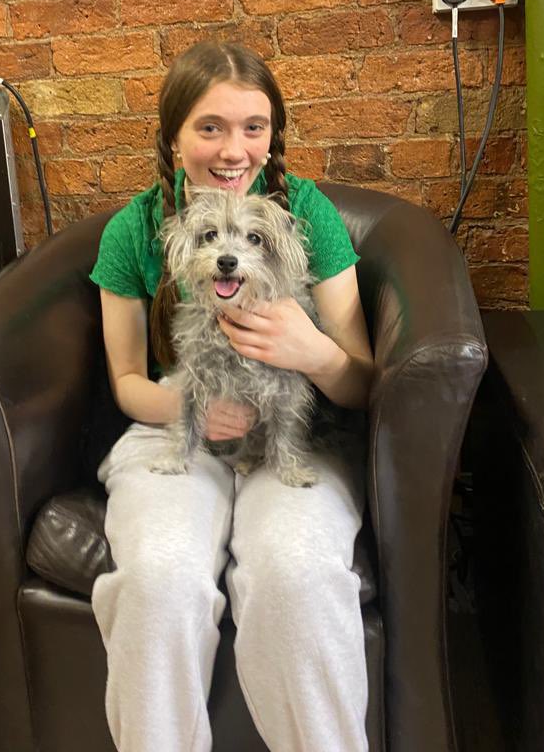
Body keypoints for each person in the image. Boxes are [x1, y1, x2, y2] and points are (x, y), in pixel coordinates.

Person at [89, 41, 375, 752]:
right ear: (173, 136)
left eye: (254, 126)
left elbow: (365, 380)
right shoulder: (134, 229)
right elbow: (127, 382)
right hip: (178, 423)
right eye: (210, 127)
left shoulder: (306, 213)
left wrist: (309, 350)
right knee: (157, 580)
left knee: (298, 575)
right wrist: (192, 412)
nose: (234, 149)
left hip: (296, 430)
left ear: (274, 134)